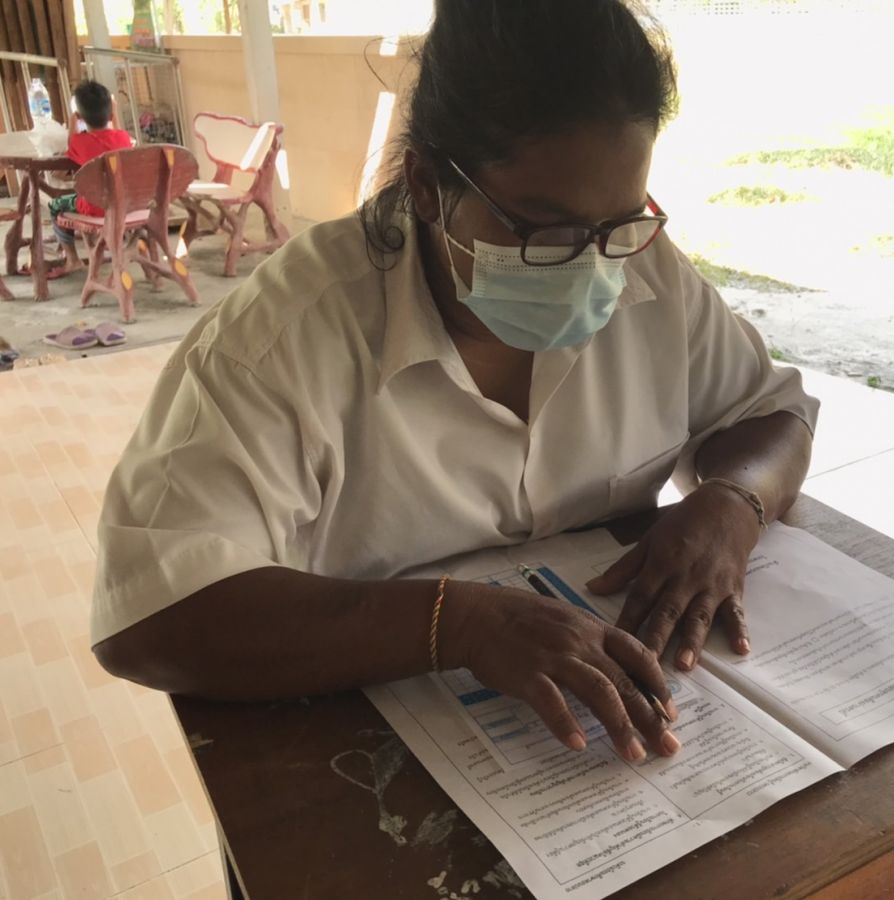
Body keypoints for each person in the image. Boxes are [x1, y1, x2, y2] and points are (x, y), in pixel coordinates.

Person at [91, 0, 819, 764]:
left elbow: (774, 414)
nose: (591, 266)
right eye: (545, 231)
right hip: (362, 755)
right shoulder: (282, 338)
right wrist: (455, 623)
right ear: (428, 184)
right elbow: (150, 618)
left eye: (619, 224)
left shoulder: (646, 276)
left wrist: (733, 502)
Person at [46, 80, 133, 277]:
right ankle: (99, 243)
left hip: (95, 207)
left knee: (56, 205)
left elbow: (70, 145)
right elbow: (118, 132)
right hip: (125, 204)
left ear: (80, 117)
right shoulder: (123, 138)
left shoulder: (80, 141)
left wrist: (73, 121)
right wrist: (114, 114)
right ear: (111, 115)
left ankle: (72, 260)